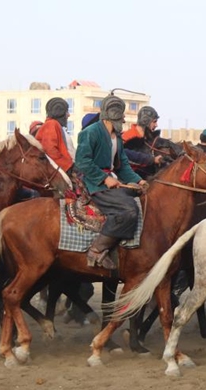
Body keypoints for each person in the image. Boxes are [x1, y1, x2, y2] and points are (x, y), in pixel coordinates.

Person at [75, 95, 149, 269]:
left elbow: (123, 165)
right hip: (94, 184)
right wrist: (104, 178)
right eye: (121, 115)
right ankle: (96, 249)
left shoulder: (118, 138)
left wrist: (138, 180)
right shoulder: (91, 132)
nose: (124, 119)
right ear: (113, 114)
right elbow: (82, 161)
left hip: (112, 180)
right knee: (128, 209)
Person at [35, 97, 74, 172]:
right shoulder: (51, 124)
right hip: (60, 171)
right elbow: (50, 149)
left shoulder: (54, 125)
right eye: (66, 112)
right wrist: (68, 166)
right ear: (60, 112)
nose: (68, 115)